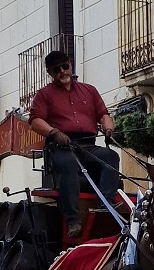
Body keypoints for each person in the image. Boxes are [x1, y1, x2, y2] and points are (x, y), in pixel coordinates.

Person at [28, 51, 120, 238]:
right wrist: (55, 132)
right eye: (57, 70)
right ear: (50, 73)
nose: (62, 72)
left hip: (87, 145)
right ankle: (73, 220)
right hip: (61, 147)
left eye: (65, 66)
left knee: (111, 157)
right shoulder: (44, 95)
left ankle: (105, 208)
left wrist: (109, 129)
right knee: (68, 164)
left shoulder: (89, 90)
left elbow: (103, 115)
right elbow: (35, 121)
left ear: (70, 65)